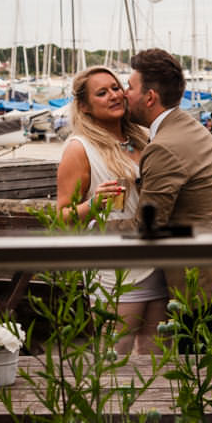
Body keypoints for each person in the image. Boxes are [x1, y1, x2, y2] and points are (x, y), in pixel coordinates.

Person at [124, 48, 212, 353]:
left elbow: (147, 228)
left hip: (209, 285)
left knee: (200, 375)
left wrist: (100, 221)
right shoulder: (188, 126)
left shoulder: (164, 147)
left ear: (149, 97)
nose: (124, 94)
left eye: (129, 87)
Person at [56, 65, 159, 353]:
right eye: (102, 93)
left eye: (116, 88)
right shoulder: (79, 148)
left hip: (157, 258)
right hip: (115, 268)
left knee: (158, 353)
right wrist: (94, 204)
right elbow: (62, 217)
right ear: (84, 106)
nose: (114, 95)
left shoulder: (142, 138)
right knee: (116, 354)